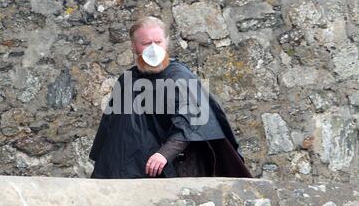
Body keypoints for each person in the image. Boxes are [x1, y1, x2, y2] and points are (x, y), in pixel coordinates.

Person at [89, 16, 252, 179]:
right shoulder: (128, 79)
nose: (153, 48)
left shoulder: (180, 76)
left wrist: (164, 154)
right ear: (134, 46)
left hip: (172, 170)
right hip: (129, 171)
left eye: (158, 42)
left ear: (166, 42)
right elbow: (112, 129)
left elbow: (191, 123)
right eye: (145, 43)